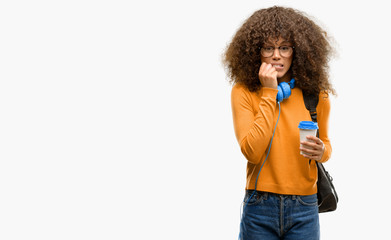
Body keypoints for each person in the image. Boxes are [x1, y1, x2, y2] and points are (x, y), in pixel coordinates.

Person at [222, 6, 336, 240]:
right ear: (256, 52)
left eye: (284, 47)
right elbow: (252, 152)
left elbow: (325, 145)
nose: (276, 55)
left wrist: (321, 151)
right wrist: (268, 92)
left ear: (297, 51)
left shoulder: (315, 95)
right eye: (268, 48)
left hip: (305, 207)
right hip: (259, 205)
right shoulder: (244, 92)